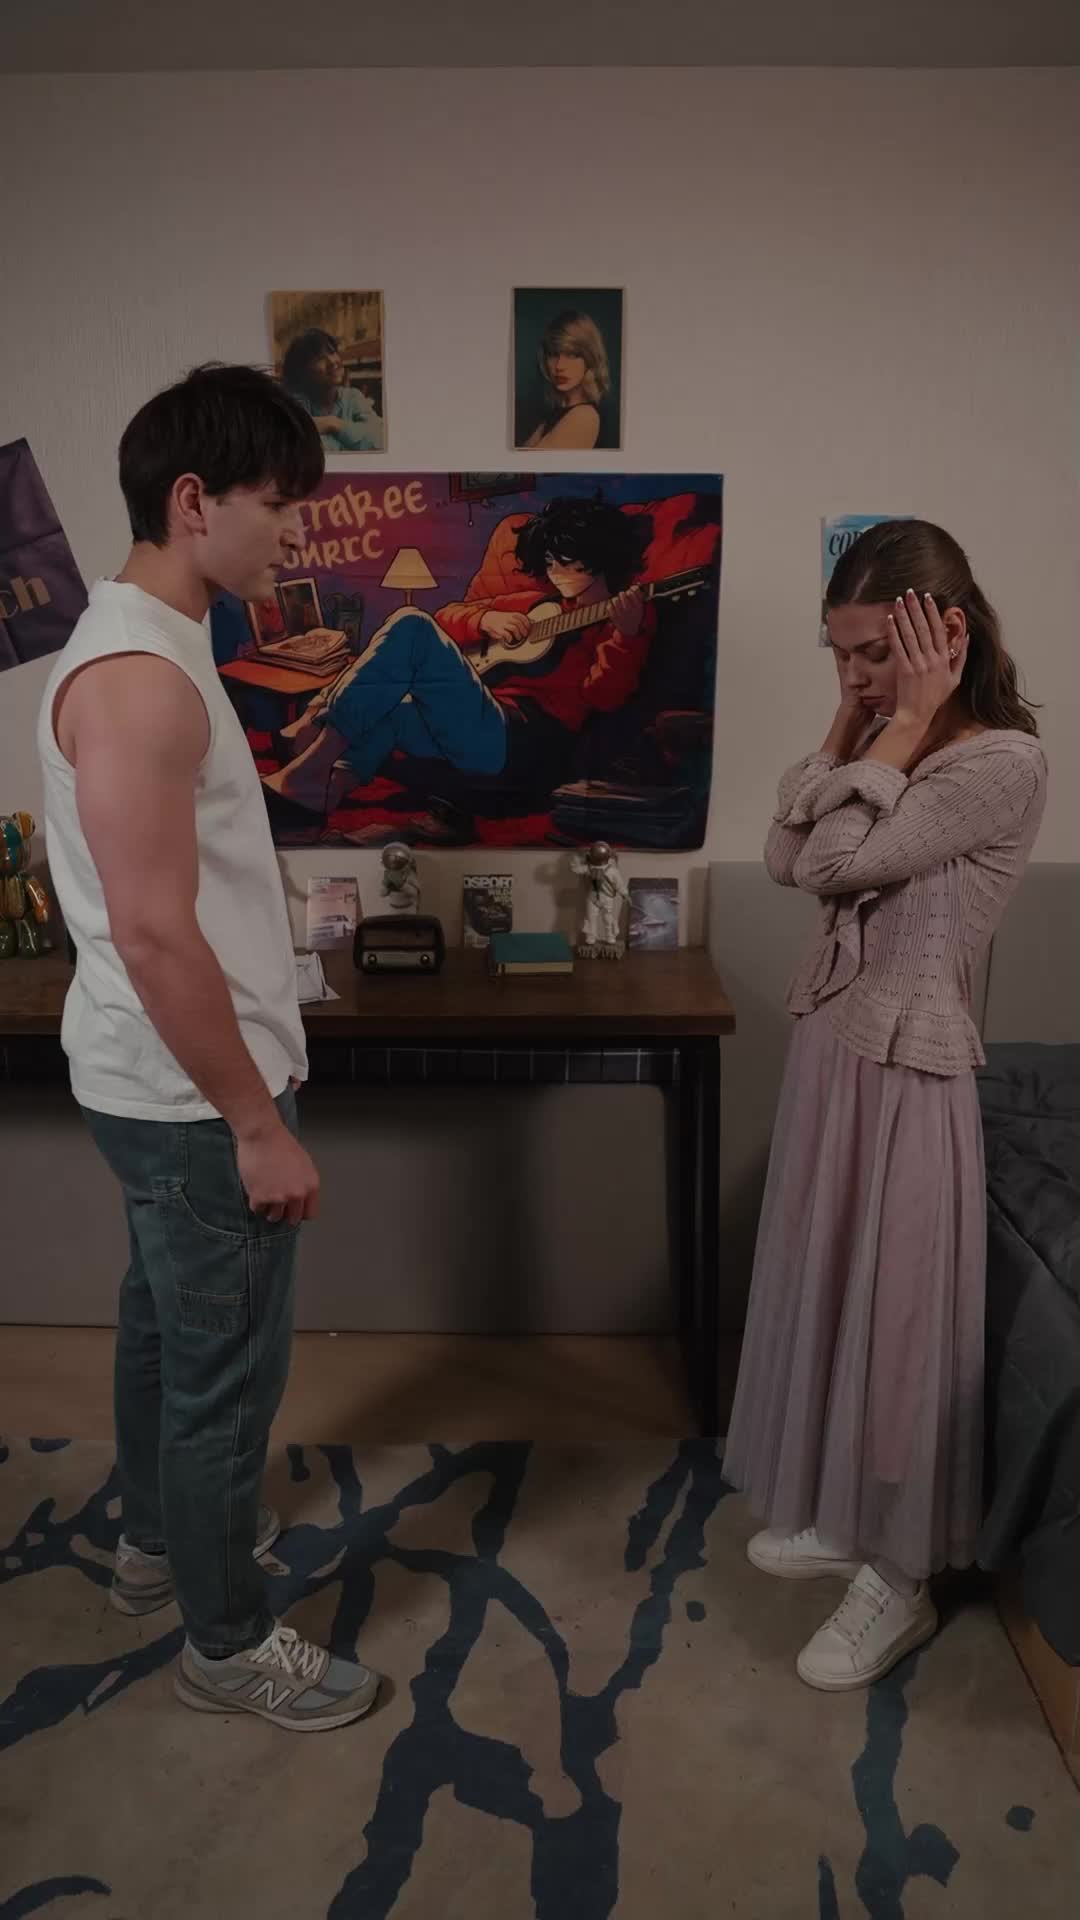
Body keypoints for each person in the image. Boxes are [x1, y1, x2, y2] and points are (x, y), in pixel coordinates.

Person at [35, 364, 381, 1731]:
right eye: (276, 504)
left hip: (160, 1083)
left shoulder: (157, 644)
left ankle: (153, 1546)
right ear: (194, 501)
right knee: (224, 1378)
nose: (293, 532)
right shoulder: (138, 680)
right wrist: (255, 1122)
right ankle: (227, 1644)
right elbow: (153, 933)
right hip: (191, 1103)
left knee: (161, 1329)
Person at [722, 519, 1047, 1692]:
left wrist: (896, 729)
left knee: (902, 1316)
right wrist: (853, 725)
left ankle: (901, 1575)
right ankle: (846, 1514)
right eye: (840, 652)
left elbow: (828, 863)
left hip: (911, 1066)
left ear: (943, 635)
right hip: (834, 1048)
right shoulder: (883, 738)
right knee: (828, 1285)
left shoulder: (998, 763)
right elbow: (778, 852)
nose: (855, 675)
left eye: (875, 653)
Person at [261, 497, 655, 838]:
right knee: (391, 706)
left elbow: (603, 697)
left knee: (411, 622)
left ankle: (312, 749)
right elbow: (448, 616)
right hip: (472, 718)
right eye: (550, 561)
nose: (555, 573)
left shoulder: (625, 620)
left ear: (600, 560)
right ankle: (329, 789)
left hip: (519, 743)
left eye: (567, 563)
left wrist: (625, 637)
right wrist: (485, 620)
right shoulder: (535, 604)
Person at [280, 327, 382, 452]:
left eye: (333, 352)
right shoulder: (296, 404)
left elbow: (378, 439)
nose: (333, 362)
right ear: (302, 371)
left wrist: (333, 424)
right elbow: (308, 451)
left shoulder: (352, 397)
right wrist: (352, 441)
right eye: (320, 358)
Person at [520, 311, 610, 451]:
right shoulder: (557, 412)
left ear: (590, 359)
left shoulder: (584, 416)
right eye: (553, 354)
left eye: (572, 355)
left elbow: (526, 463)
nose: (559, 366)